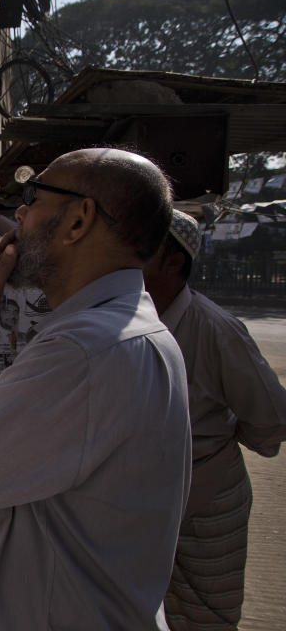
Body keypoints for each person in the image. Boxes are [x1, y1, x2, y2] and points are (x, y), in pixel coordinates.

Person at [0, 148, 190, 629]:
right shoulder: (132, 332)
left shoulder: (85, 353)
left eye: (34, 195)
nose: (21, 213)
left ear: (78, 220)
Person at [142, 210, 286, 630]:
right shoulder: (120, 321)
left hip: (207, 504)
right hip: (141, 502)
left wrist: (212, 442)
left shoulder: (215, 328)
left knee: (205, 616)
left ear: (172, 262)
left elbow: (272, 418)